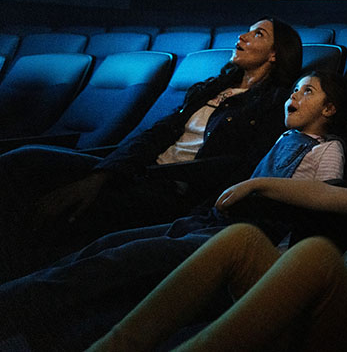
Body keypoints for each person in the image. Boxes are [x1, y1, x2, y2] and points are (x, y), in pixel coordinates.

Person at [0, 69, 347, 350]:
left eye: (307, 91)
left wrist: (260, 187)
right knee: (108, 244)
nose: (294, 96)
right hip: (213, 220)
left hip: (253, 235)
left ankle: (14, 309)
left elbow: (326, 197)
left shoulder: (327, 149)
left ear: (329, 109)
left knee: (123, 259)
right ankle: (24, 308)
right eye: (295, 89)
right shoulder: (283, 138)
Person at [88, 104, 347, 352]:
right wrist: (259, 183)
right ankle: (116, 345)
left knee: (318, 253)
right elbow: (324, 194)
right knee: (243, 239)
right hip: (316, 309)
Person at [0, 17, 302, 281]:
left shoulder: (277, 103)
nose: (243, 37)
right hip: (134, 168)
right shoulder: (212, 88)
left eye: (258, 34)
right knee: (25, 160)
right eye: (247, 31)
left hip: (172, 186)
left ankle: (21, 285)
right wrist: (102, 174)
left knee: (70, 210)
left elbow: (243, 166)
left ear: (275, 54)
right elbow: (156, 133)